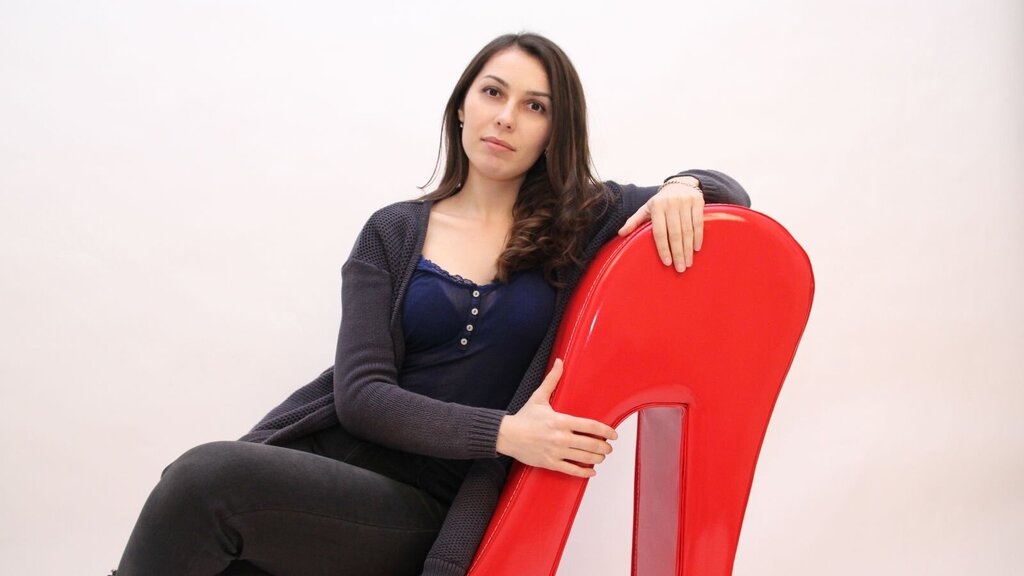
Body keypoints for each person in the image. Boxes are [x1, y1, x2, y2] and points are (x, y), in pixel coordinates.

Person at [111, 32, 750, 576]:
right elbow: (362, 397)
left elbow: (731, 200)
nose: (506, 117)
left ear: (553, 132)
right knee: (196, 490)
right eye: (493, 93)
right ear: (462, 107)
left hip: (435, 501)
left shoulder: (582, 222)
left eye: (534, 106)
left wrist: (683, 184)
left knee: (206, 481)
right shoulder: (391, 231)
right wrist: (505, 433)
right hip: (331, 466)